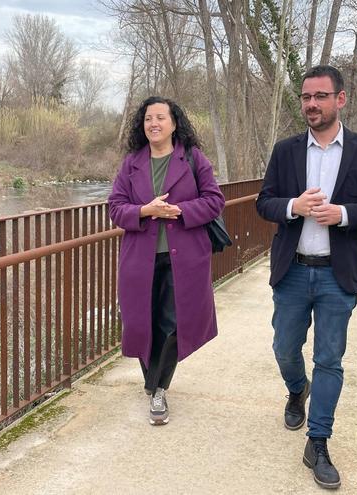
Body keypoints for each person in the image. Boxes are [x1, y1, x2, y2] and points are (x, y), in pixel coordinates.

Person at [256, 65, 357, 489]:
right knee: (284, 347)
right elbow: (264, 203)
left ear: (340, 99)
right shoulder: (286, 150)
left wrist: (344, 215)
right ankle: (297, 388)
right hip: (293, 270)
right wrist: (292, 207)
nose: (311, 104)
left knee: (330, 359)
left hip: (338, 275)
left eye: (320, 96)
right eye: (305, 97)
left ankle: (318, 441)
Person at [108, 96, 225, 426]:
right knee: (141, 322)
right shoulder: (132, 162)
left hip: (185, 258)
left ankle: (157, 388)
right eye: (148, 118)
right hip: (139, 260)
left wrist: (180, 211)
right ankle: (155, 383)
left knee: (174, 324)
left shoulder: (192, 159)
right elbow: (115, 207)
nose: (153, 123)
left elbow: (215, 201)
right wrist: (145, 210)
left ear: (175, 123)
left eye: (160, 117)